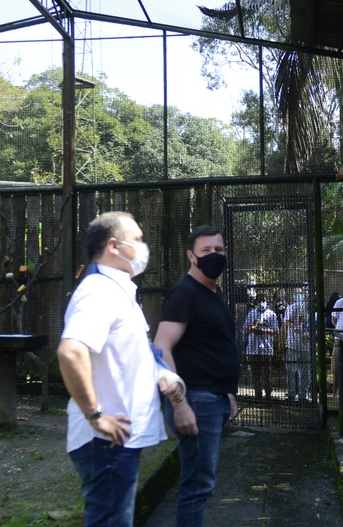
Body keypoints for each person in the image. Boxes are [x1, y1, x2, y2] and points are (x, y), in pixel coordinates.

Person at [57, 212, 183, 527]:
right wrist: (95, 415)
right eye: (138, 240)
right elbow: (71, 352)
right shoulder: (99, 291)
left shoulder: (120, 292)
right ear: (114, 245)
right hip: (107, 442)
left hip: (118, 441)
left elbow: (133, 354)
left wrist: (164, 376)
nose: (143, 246)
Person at [153, 225, 240, 527]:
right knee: (197, 485)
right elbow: (162, 348)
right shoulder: (184, 293)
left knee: (202, 483)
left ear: (226, 252)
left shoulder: (213, 294)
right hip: (195, 400)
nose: (214, 256)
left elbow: (211, 347)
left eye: (219, 250)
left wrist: (227, 391)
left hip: (213, 398)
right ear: (191, 256)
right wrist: (179, 404)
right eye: (206, 251)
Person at [244, 292, 279, 402]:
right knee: (255, 373)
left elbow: (275, 330)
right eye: (259, 301)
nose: (261, 303)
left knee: (266, 373)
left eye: (263, 301)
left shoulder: (271, 314)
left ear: (266, 301)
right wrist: (252, 329)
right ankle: (257, 395)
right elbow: (245, 329)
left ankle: (268, 395)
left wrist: (263, 331)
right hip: (253, 348)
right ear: (256, 301)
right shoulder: (251, 313)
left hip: (266, 348)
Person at [283, 285, 312, 403]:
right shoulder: (291, 307)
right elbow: (286, 321)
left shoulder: (309, 308)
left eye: (301, 293)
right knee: (291, 370)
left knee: (305, 372)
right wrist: (294, 328)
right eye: (296, 293)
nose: (299, 295)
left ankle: (303, 396)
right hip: (292, 345)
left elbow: (314, 323)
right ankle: (290, 394)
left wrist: (309, 333)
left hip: (306, 346)